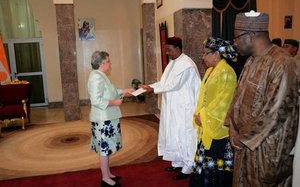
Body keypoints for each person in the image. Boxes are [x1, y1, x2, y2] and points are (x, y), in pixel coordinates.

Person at [225, 11, 299, 186]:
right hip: (244, 143)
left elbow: (274, 113)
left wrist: (241, 137)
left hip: (267, 148)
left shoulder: (282, 63)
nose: (235, 43)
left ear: (250, 36)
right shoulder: (252, 60)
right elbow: (238, 96)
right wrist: (233, 127)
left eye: (236, 38)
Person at [141, 37, 201, 180]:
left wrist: (152, 90)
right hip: (174, 107)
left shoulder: (186, 65)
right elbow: (164, 82)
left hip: (185, 108)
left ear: (178, 48)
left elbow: (174, 84)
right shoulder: (173, 63)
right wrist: (151, 86)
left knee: (185, 135)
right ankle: (178, 162)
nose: (167, 52)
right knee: (174, 133)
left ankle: (188, 167)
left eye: (169, 49)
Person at [189, 37, 238, 187]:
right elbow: (203, 97)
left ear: (217, 54)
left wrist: (203, 117)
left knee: (217, 171)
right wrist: (198, 115)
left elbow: (224, 102)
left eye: (206, 53)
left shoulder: (227, 73)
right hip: (207, 125)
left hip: (218, 129)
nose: (203, 57)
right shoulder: (211, 70)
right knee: (203, 167)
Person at [87, 51, 133, 187]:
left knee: (106, 149)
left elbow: (111, 91)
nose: (110, 64)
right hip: (103, 119)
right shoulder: (96, 77)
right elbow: (96, 100)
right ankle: (105, 179)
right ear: (102, 63)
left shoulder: (100, 75)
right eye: (108, 61)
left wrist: (126, 91)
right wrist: (115, 103)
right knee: (104, 149)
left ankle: (108, 173)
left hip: (107, 117)